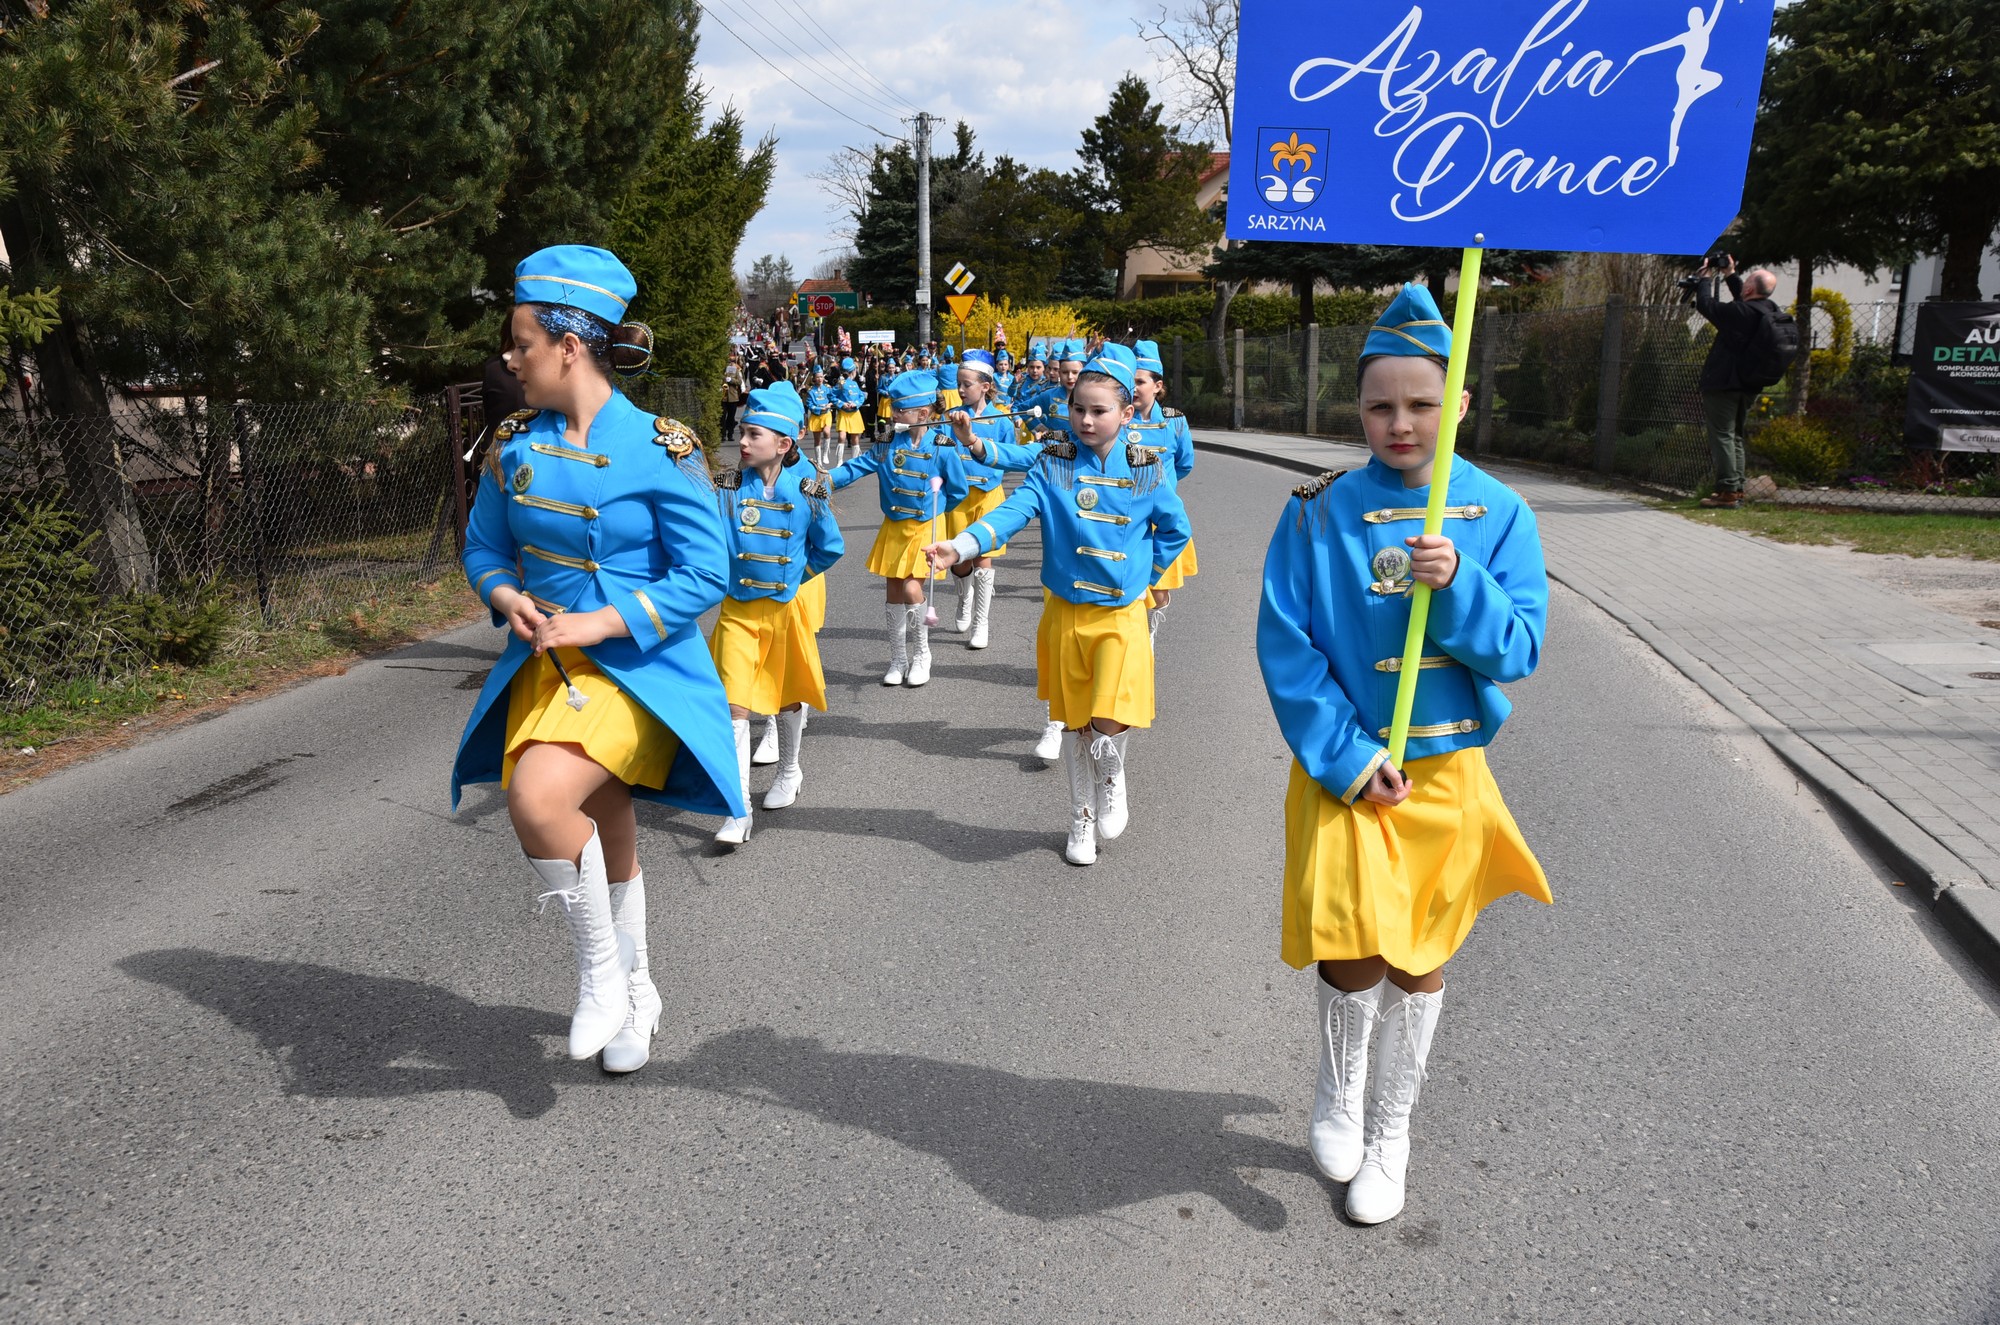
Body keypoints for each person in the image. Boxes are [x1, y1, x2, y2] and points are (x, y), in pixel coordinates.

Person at [1256, 284, 1551, 1224]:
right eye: (1380, 404)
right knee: (1351, 940)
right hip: (1348, 774)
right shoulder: (1317, 512)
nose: (1400, 423)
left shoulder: (1500, 511)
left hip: (1445, 775)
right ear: (1358, 407)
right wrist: (1345, 756)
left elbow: (1520, 650)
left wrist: (1459, 584)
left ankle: (1392, 1129)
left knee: (1420, 956)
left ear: (1458, 402)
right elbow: (1287, 645)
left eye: (1422, 403)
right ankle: (1341, 1090)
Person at [454, 244, 743, 1076]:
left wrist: (602, 622)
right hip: (545, 670)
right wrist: (506, 596)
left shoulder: (662, 446)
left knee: (538, 798)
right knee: (606, 824)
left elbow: (707, 572)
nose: (511, 360)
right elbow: (484, 547)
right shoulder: (512, 442)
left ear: (570, 347)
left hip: (636, 670)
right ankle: (639, 991)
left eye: (523, 344)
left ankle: (600, 972)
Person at [924, 344, 1190, 867]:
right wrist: (963, 546)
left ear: (1126, 414)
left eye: (1099, 410)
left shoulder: (1149, 468)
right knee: (1075, 722)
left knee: (1110, 715)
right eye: (1078, 409)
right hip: (1067, 612)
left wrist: (1143, 576)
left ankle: (1111, 777)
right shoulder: (1054, 462)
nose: (1086, 420)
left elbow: (1175, 530)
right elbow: (1014, 511)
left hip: (1119, 614)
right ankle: (1080, 816)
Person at [708, 383, 844, 845]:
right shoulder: (726, 488)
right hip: (737, 612)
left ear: (784, 444)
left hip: (784, 610)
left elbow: (830, 547)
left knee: (786, 697)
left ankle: (789, 770)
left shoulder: (808, 491)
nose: (742, 442)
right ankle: (738, 809)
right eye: (742, 432)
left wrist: (794, 578)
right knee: (734, 706)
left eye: (753, 435)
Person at [830, 370, 971, 687]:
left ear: (922, 414)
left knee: (910, 588)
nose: (893, 414)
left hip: (925, 526)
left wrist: (936, 512)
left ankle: (922, 654)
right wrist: (825, 481)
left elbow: (958, 490)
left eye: (900, 410)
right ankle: (898, 658)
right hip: (895, 526)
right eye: (893, 408)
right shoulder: (887, 443)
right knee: (894, 590)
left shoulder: (943, 446)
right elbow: (857, 467)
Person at [941, 349, 1033, 649]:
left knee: (983, 558)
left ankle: (981, 622)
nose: (961, 389)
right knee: (959, 560)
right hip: (958, 497)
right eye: (958, 383)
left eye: (967, 384)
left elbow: (1010, 456)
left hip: (989, 496)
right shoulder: (949, 418)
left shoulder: (1001, 419)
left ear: (985, 386)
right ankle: (964, 598)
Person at [1689, 255, 1782, 509]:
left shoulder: (1739, 312)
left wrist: (1704, 279)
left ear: (1749, 289)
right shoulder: (1770, 310)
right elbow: (1745, 297)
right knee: (1736, 436)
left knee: (1722, 436)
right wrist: (1730, 274)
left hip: (1724, 383)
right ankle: (1737, 489)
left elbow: (1706, 305)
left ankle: (1728, 490)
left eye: (1746, 283)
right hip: (1749, 383)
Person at [1129, 340, 1198, 645]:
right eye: (1129, 380)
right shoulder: (1119, 418)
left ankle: (1151, 632)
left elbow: (1184, 463)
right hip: (1128, 513)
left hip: (1160, 516)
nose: (1133, 388)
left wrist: (1163, 488)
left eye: (1139, 381)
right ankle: (1136, 641)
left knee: (1157, 590)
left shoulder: (1174, 421)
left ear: (1157, 386)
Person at [833, 359, 867, 463]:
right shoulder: (841, 383)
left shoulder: (855, 384)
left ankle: (854, 461)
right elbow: (832, 395)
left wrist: (855, 403)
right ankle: (839, 461)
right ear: (853, 372)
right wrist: (842, 403)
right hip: (844, 413)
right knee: (842, 436)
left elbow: (861, 397)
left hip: (854, 413)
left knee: (855, 438)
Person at [804, 367, 834, 467]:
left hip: (826, 414)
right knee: (817, 440)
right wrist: (819, 408)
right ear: (814, 378)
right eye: (818, 377)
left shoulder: (827, 388)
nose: (820, 379)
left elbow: (832, 398)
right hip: (816, 415)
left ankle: (825, 454)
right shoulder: (811, 391)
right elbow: (809, 405)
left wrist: (830, 404)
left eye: (821, 377)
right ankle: (819, 460)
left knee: (826, 432)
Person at [721, 352, 745, 442]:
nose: (730, 363)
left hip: (733, 397)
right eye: (729, 361)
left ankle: (730, 434)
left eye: (732, 361)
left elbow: (739, 382)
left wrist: (731, 380)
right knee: (722, 417)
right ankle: (722, 435)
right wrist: (724, 379)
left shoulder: (736, 370)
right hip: (723, 396)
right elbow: (719, 379)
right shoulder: (723, 370)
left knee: (731, 417)